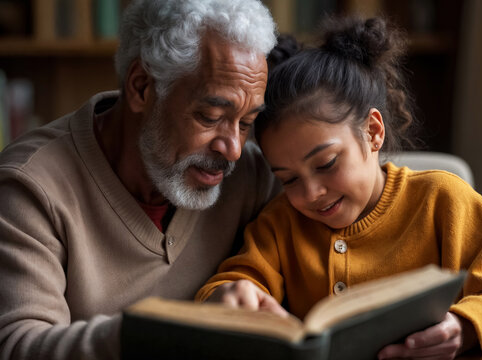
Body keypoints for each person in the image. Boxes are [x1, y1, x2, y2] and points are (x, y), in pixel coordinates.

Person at [196, 16, 482, 359]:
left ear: (373, 132)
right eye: (290, 179)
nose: (311, 193)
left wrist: (465, 326)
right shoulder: (280, 223)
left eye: (327, 164)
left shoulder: (443, 200)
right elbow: (230, 283)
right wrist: (231, 293)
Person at [0, 0, 280, 358]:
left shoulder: (253, 177)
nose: (233, 150)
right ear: (141, 87)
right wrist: (182, 329)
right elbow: (19, 347)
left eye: (245, 124)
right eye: (211, 116)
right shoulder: (31, 186)